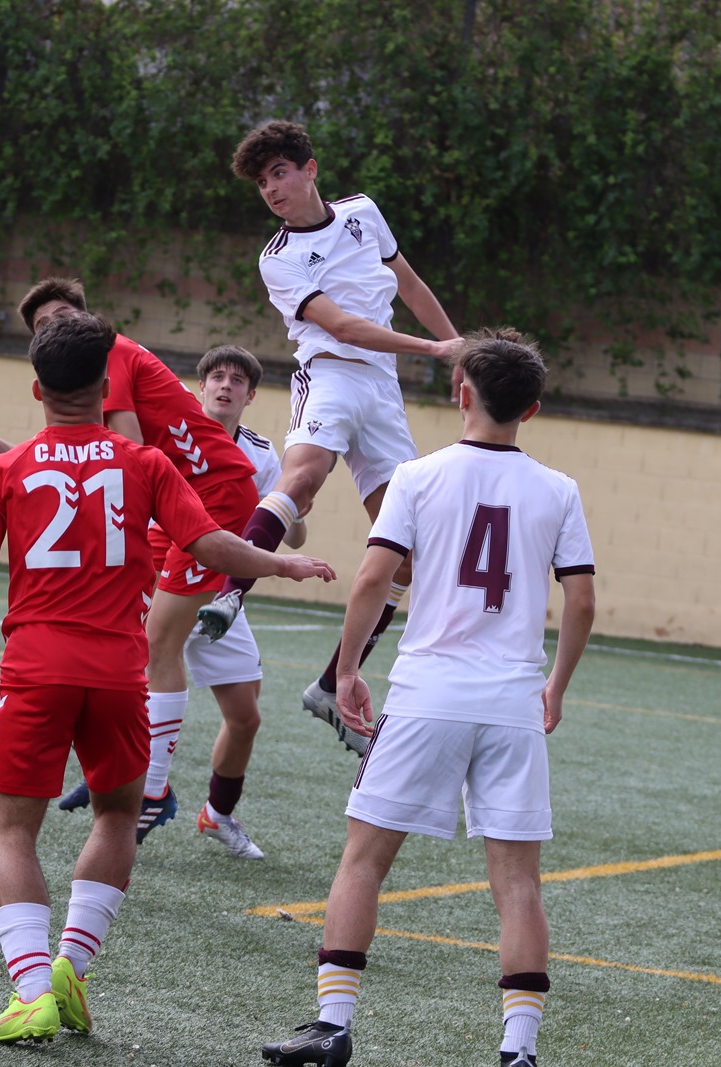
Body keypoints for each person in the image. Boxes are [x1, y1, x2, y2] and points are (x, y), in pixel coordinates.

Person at [0, 312, 335, 1044]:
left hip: (35, 671)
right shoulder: (147, 464)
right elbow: (210, 543)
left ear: (37, 390)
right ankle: (71, 967)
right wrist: (281, 562)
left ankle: (31, 991)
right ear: (106, 388)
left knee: (13, 831)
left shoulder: (5, 469)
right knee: (118, 816)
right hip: (121, 673)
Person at [257, 328, 596, 1067]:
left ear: (460, 393)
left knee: (363, 860)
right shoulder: (559, 489)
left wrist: (346, 669)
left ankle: (332, 1027)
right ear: (532, 410)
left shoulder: (416, 477)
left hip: (426, 696)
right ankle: (518, 1050)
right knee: (518, 881)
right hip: (512, 703)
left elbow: (373, 578)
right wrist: (557, 685)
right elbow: (581, 601)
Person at [0, 343, 308, 861]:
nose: (225, 386)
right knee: (145, 659)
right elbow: (45, 466)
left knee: (246, 716)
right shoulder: (163, 433)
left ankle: (215, 812)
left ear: (251, 395)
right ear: (199, 387)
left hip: (214, 583)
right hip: (164, 574)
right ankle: (147, 787)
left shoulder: (258, 455)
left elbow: (278, 527)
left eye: (237, 380)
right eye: (217, 377)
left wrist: (292, 511)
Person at [198, 119, 467, 758]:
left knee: (408, 551)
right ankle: (231, 593)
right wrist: (434, 349)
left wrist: (457, 346)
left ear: (309, 169)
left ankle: (329, 685)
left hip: (383, 389)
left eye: (279, 173)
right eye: (262, 182)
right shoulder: (278, 258)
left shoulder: (363, 213)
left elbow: (409, 283)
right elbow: (342, 327)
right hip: (330, 374)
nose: (271, 189)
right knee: (305, 475)